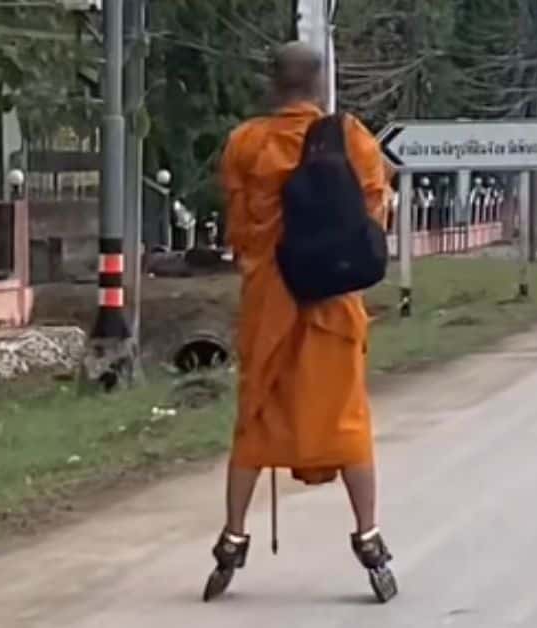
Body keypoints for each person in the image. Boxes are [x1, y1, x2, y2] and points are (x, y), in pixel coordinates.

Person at [202, 41, 398, 603]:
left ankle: (234, 538)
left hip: (271, 305)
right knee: (347, 422)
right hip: (331, 306)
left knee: (256, 420)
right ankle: (369, 538)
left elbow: (241, 229)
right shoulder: (352, 138)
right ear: (320, 84)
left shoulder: (247, 143)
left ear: (272, 84)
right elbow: (373, 215)